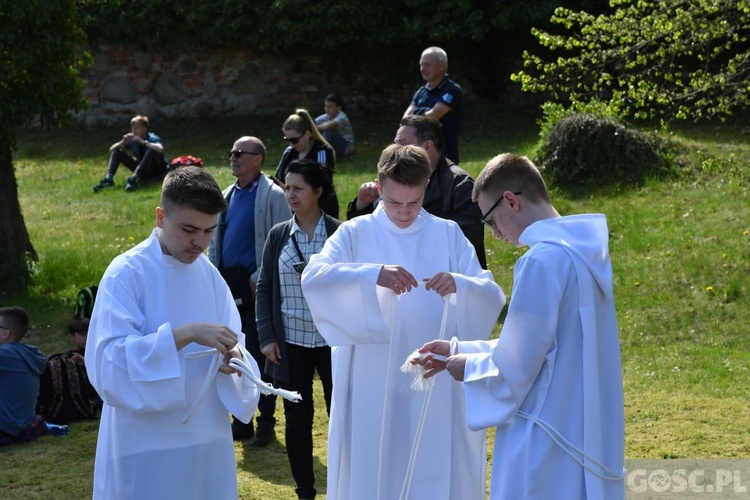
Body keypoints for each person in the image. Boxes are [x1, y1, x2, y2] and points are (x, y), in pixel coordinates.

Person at [301, 144, 506, 500]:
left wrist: (460, 286)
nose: (405, 212)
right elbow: (315, 277)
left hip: (434, 376)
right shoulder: (355, 233)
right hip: (372, 375)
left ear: (426, 187)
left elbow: (489, 292)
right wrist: (371, 276)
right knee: (376, 458)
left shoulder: (447, 234)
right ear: (379, 188)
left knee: (431, 458)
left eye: (414, 202)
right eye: (395, 203)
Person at [416, 153, 625, 499]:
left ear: (510, 201)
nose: (495, 234)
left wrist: (465, 367)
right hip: (583, 423)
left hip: (546, 432)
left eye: (490, 220)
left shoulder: (541, 261)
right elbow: (538, 344)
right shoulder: (584, 252)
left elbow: (515, 367)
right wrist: (459, 348)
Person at [85, 166, 262, 499]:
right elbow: (109, 362)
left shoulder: (209, 275)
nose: (199, 242)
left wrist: (234, 358)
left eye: (209, 231)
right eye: (189, 229)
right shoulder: (126, 273)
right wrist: (185, 334)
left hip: (205, 437)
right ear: (160, 217)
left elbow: (232, 339)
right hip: (142, 443)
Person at [256, 159, 340, 500]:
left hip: (334, 342)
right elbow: (264, 287)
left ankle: (345, 486)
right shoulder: (278, 235)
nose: (290, 194)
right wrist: (266, 336)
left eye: (298, 188)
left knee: (342, 417)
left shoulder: (339, 233)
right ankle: (305, 491)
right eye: (287, 187)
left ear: (317, 191)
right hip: (291, 342)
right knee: (297, 420)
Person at [208, 136, 291, 446]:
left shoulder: (273, 196)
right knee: (232, 353)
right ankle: (243, 420)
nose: (233, 157)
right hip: (230, 288)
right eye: (231, 152)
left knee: (262, 356)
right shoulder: (227, 195)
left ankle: (267, 422)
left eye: (240, 153)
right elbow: (215, 241)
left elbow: (282, 242)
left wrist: (260, 278)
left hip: (258, 289)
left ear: (258, 159)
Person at [347, 115, 486, 268]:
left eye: (403, 144)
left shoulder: (460, 185)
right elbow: (369, 231)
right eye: (395, 144)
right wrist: (362, 204)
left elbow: (464, 243)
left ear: (427, 146)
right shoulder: (395, 174)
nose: (396, 150)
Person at [274, 109, 339, 218]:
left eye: (294, 140)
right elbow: (277, 178)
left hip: (320, 211)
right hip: (293, 210)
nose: (291, 144)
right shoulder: (289, 152)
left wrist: (287, 190)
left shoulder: (322, 152)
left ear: (307, 134)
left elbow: (323, 184)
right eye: (287, 140)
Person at [37, 317, 103, 423]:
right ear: (72, 337)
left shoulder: (101, 353)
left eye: (90, 334)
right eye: (83, 335)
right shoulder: (69, 358)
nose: (87, 338)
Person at [403, 46, 463, 164]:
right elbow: (405, 120)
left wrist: (418, 112)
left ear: (441, 66)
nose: (422, 69)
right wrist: (425, 112)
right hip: (420, 159)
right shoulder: (421, 92)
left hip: (445, 158)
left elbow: (431, 117)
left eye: (427, 65)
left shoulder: (452, 90)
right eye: (421, 65)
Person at [0, 306, 48, 446]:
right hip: (21, 423)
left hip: (6, 426)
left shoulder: (5, 355)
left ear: (5, 334)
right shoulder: (29, 353)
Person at [93, 115, 168, 192]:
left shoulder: (152, 138)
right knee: (117, 151)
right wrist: (123, 142)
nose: (133, 130)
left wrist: (143, 142)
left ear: (144, 128)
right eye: (132, 128)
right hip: (142, 169)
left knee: (151, 149)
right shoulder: (133, 140)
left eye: (136, 128)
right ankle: (109, 179)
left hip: (156, 169)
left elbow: (160, 148)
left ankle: (133, 179)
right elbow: (112, 149)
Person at [314, 93, 355, 159]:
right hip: (335, 146)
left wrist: (315, 127)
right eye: (326, 106)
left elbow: (327, 126)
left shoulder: (342, 117)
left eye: (330, 107)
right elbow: (312, 122)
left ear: (338, 108)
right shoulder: (326, 116)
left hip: (346, 147)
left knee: (329, 130)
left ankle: (318, 153)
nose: (327, 109)